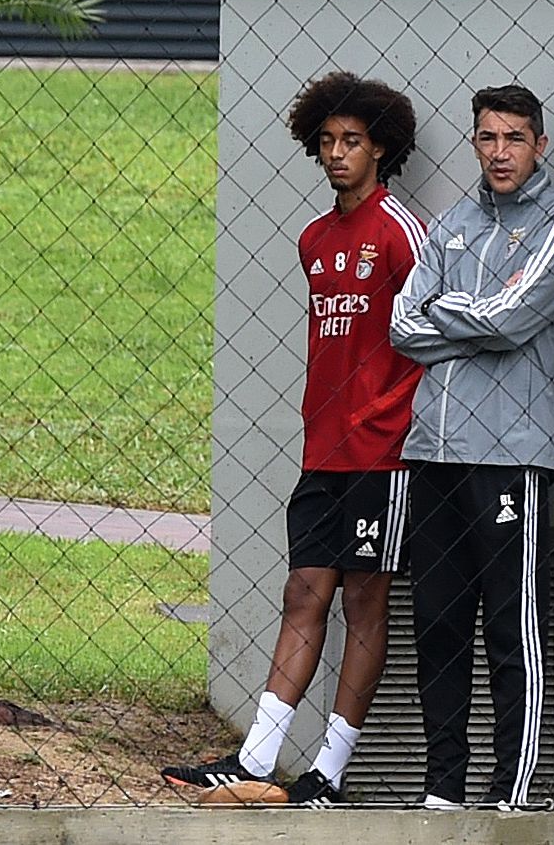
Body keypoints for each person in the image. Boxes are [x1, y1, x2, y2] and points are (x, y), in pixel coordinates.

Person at [161, 71, 425, 805]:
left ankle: (327, 775)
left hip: (385, 452)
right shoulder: (314, 238)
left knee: (364, 603)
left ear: (381, 148)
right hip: (323, 450)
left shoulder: (400, 232)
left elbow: (432, 336)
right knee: (302, 590)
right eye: (327, 142)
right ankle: (254, 758)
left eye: (352, 141)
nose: (337, 154)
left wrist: (393, 414)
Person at [389, 84, 554, 810]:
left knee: (512, 632)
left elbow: (513, 319)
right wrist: (464, 315)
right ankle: (442, 790)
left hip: (509, 456)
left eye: (513, 138)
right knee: (438, 627)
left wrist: (448, 313)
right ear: (473, 142)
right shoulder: (451, 220)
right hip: (433, 454)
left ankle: (510, 793)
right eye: (486, 137)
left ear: (538, 145)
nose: (499, 152)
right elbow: (400, 323)